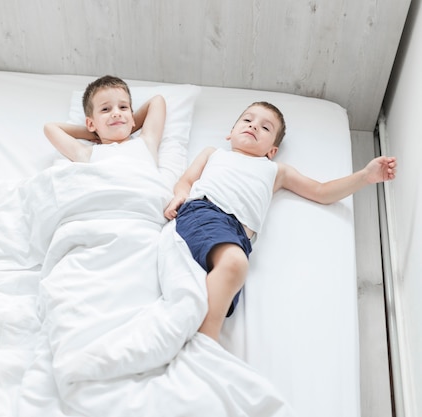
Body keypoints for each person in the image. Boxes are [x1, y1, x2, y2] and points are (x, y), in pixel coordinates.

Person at [164, 101, 397, 341]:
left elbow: (321, 191)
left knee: (224, 282)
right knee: (234, 265)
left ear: (272, 151)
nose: (254, 126)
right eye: (247, 120)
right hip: (204, 211)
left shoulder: (276, 171)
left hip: (237, 236)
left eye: (265, 128)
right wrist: (180, 195)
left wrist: (365, 176)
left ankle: (190, 335)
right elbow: (186, 181)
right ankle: (205, 345)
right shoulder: (214, 154)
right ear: (230, 133)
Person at [44, 75, 166, 164]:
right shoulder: (87, 153)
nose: (116, 113)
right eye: (106, 109)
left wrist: (129, 124)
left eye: (123, 107)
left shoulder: (146, 143)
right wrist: (95, 132)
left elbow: (157, 101)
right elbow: (50, 128)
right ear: (90, 123)